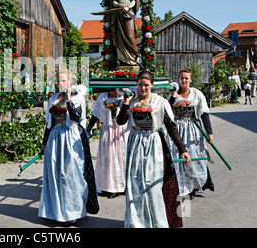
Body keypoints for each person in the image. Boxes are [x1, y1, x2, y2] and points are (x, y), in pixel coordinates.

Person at [116, 70, 190, 228]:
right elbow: (121, 121)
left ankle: (156, 222)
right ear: (137, 85)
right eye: (140, 85)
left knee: (153, 186)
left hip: (154, 145)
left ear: (152, 85)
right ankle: (136, 222)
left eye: (146, 85)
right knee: (135, 184)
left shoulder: (160, 102)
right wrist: (127, 102)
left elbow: (171, 127)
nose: (143, 88)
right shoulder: (132, 101)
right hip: (135, 144)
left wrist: (183, 149)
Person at [39, 70, 99, 223]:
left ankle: (72, 212)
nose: (61, 84)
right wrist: (44, 143)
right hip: (55, 138)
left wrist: (68, 99)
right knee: (55, 174)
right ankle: (54, 211)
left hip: (71, 138)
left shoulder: (78, 98)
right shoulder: (53, 99)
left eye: (64, 81)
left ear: (70, 83)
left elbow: (75, 117)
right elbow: (49, 124)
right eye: (58, 81)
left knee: (71, 174)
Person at [167, 68, 215, 199]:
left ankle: (193, 186)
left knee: (193, 157)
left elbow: (204, 113)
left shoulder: (197, 94)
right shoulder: (173, 93)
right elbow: (167, 109)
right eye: (181, 78)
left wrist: (209, 132)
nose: (183, 80)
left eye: (186, 78)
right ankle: (180, 185)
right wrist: (173, 96)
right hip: (176, 129)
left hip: (192, 129)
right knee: (176, 156)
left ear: (191, 80)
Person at [87, 88, 129, 198]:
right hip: (107, 130)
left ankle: (123, 186)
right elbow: (95, 114)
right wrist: (89, 128)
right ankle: (109, 187)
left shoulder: (123, 95)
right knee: (108, 159)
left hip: (122, 131)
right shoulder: (102, 97)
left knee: (122, 158)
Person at [109, 0, 141, 66]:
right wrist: (118, 5)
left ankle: (133, 57)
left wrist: (128, 7)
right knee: (120, 35)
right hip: (118, 14)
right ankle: (123, 59)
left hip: (129, 13)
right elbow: (113, 1)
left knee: (130, 35)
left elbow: (135, 0)